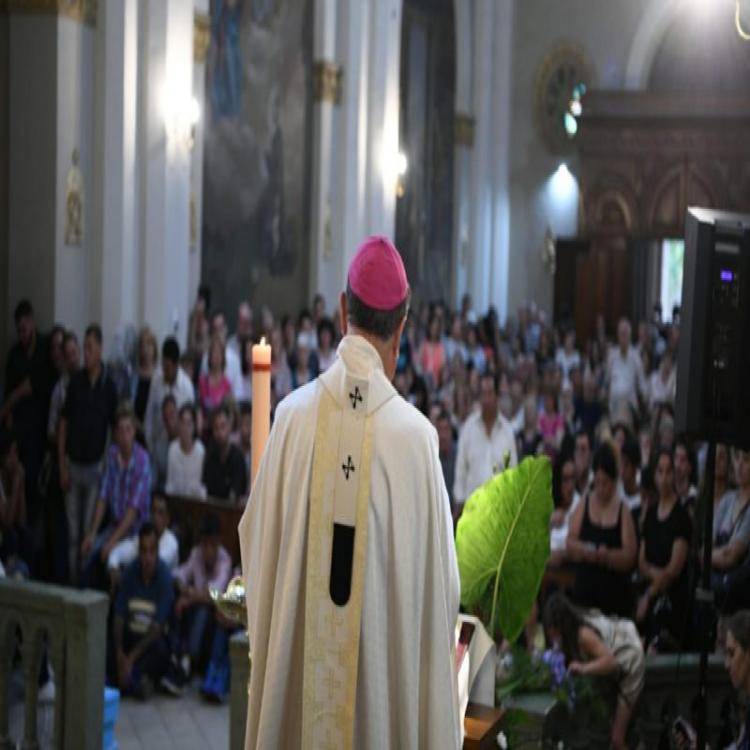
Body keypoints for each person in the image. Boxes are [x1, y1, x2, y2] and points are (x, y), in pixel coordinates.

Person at [238, 236, 461, 748]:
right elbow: (442, 595)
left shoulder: (291, 419)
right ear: (402, 328)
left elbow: (258, 555)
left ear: (342, 311)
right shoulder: (416, 441)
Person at [544, 592, 645, 750]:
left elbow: (610, 662)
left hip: (630, 661)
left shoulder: (583, 634)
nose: (552, 634)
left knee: (617, 739)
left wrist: (583, 668)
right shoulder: (569, 634)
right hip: (617, 662)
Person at [58, 324, 118, 584]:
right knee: (72, 533)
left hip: (95, 468)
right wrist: (61, 464)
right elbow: (63, 424)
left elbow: (115, 428)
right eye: (84, 348)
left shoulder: (108, 385)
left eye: (90, 348)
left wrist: (108, 465)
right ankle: (73, 582)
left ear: (100, 349)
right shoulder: (76, 382)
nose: (86, 353)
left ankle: (83, 585)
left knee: (86, 532)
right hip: (73, 465)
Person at [80, 403, 151, 586]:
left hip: (135, 532)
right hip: (114, 524)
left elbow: (133, 511)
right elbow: (103, 495)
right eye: (121, 430)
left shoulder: (142, 460)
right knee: (89, 552)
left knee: (112, 556)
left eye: (128, 429)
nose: (125, 435)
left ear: (134, 431)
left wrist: (111, 542)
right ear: (115, 434)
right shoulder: (112, 455)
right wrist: (92, 533)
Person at [1, 300, 56, 525]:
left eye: (25, 329)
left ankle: (29, 529)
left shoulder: (45, 348)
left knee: (34, 481)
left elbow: (36, 385)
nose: (22, 335)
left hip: (40, 427)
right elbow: (10, 395)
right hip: (20, 429)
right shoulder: (15, 355)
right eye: (19, 331)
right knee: (17, 479)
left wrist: (23, 391)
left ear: (32, 322)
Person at [567, 440, 637, 617]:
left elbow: (630, 555)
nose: (600, 488)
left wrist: (608, 556)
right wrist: (586, 550)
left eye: (605, 483)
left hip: (614, 599)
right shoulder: (585, 503)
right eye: (597, 482)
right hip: (585, 595)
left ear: (613, 481)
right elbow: (570, 542)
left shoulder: (623, 510)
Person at [163, 513, 231, 694]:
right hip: (192, 610)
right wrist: (185, 591)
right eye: (205, 544)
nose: (208, 550)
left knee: (201, 609)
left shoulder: (224, 560)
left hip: (214, 619)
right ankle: (176, 657)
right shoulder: (196, 553)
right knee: (176, 601)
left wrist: (189, 598)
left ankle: (187, 662)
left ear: (218, 542)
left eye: (212, 545)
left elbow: (214, 595)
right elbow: (179, 575)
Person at [636, 450, 691, 651]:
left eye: (669, 471)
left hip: (671, 600)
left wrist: (650, 593)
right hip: (648, 590)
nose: (664, 477)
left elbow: (673, 570)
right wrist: (654, 575)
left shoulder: (681, 517)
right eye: (660, 471)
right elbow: (641, 562)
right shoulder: (650, 515)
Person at [112, 522, 174, 699]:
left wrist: (131, 658)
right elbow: (119, 615)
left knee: (161, 651)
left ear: (157, 552)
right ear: (138, 551)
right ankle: (132, 679)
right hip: (130, 637)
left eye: (151, 551)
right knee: (109, 649)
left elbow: (157, 628)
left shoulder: (165, 577)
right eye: (143, 551)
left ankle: (136, 679)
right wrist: (119, 653)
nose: (147, 558)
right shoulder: (130, 572)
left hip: (148, 644)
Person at [454, 371, 518, 511]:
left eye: (490, 393)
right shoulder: (468, 429)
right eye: (483, 394)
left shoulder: (507, 432)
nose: (486, 399)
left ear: (497, 396)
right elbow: (461, 470)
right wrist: (459, 501)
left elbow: (512, 474)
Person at [712, 450, 750, 615]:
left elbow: (732, 556)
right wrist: (720, 554)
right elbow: (705, 546)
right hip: (716, 588)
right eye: (737, 458)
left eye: (746, 459)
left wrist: (711, 556)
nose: (739, 464)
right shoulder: (727, 499)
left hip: (738, 599)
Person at [144, 337, 195, 456]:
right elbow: (149, 413)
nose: (164, 371)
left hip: (179, 449)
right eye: (163, 365)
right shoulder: (156, 379)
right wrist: (149, 445)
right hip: (157, 447)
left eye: (168, 367)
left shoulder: (187, 388)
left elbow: (190, 424)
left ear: (176, 365)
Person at [108, 494, 179, 576]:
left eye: (160, 513)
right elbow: (117, 552)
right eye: (153, 511)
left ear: (167, 519)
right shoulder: (144, 536)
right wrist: (113, 569)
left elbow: (151, 566)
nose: (155, 516)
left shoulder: (171, 543)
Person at [202, 404, 247, 501]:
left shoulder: (238, 457)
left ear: (229, 427)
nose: (219, 432)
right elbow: (206, 491)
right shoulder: (210, 457)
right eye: (216, 427)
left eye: (223, 426)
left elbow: (236, 494)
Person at [166, 403, 206, 498]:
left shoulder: (200, 451)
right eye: (182, 423)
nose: (185, 428)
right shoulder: (173, 448)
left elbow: (201, 487)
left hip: (195, 501)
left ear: (194, 426)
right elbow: (170, 484)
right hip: (176, 500)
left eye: (189, 423)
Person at [47, 331, 80, 443]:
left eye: (74, 353)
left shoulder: (90, 381)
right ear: (64, 359)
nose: (73, 360)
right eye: (68, 356)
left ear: (79, 352)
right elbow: (51, 431)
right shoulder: (59, 390)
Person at [133, 327, 158, 425]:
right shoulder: (133, 375)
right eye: (142, 345)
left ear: (154, 348)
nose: (145, 349)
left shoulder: (159, 375)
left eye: (149, 344)